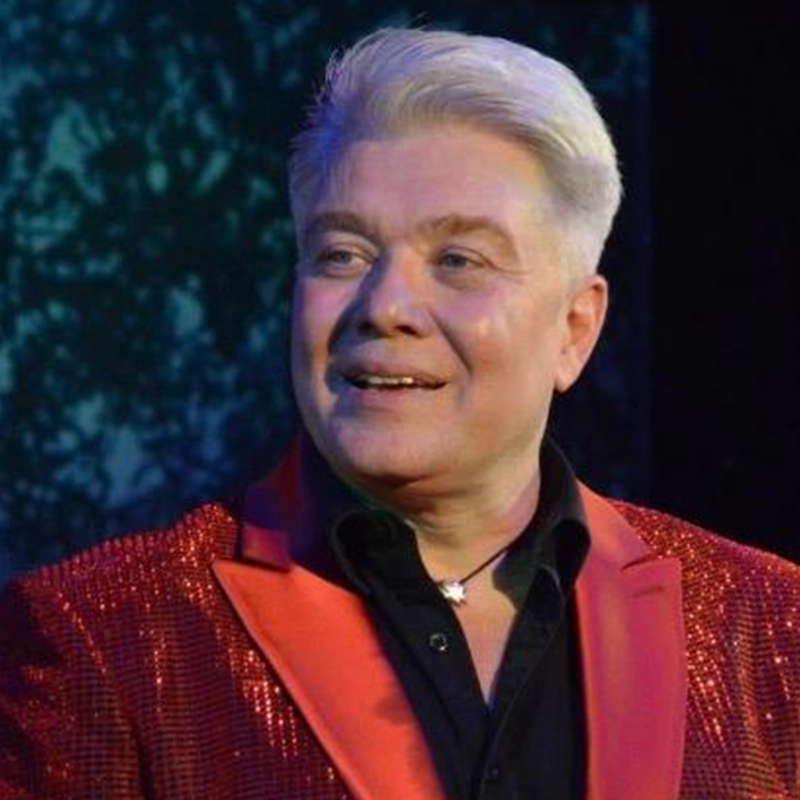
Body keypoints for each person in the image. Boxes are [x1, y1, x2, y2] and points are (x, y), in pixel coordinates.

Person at [1, 27, 798, 800]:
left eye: (458, 260)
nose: (384, 307)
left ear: (574, 329)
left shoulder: (768, 628)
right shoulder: (104, 634)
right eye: (342, 254)